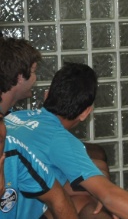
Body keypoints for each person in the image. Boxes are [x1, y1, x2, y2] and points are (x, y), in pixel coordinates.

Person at [5, 62, 128, 218]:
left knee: (94, 172)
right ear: (86, 112)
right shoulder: (61, 140)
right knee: (86, 201)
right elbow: (110, 195)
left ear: (47, 94)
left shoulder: (16, 116)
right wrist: (99, 192)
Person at [0, 37, 78, 219]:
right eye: (34, 72)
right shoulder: (7, 139)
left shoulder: (10, 129)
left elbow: (57, 197)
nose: (35, 79)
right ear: (20, 77)